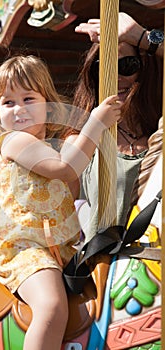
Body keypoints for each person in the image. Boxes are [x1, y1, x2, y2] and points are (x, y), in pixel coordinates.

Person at [0, 54, 121, 350]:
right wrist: (95, 123)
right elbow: (64, 169)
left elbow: (69, 192)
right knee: (52, 307)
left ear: (48, 104)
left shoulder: (51, 149)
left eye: (28, 99)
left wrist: (76, 144)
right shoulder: (14, 141)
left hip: (56, 251)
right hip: (24, 251)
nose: (18, 110)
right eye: (8, 102)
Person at [73, 12, 163, 240]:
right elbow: (47, 202)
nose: (115, 77)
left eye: (127, 65)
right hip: (104, 265)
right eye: (102, 69)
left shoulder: (159, 134)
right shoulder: (83, 139)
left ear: (143, 69)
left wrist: (141, 36)